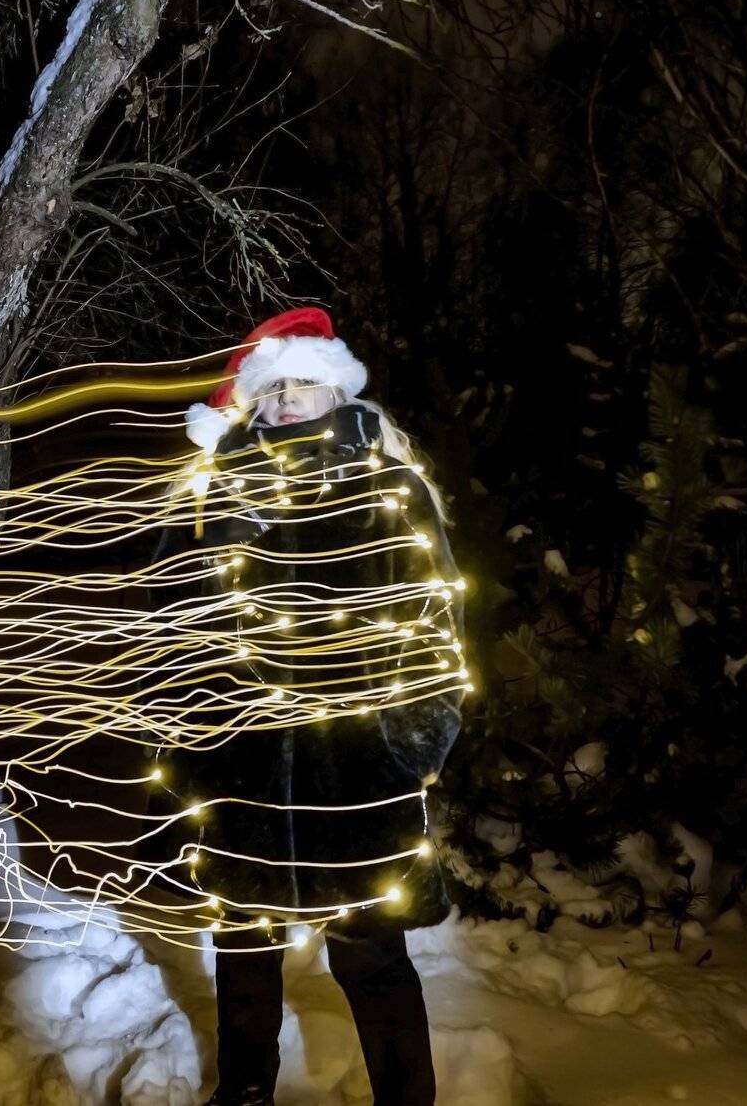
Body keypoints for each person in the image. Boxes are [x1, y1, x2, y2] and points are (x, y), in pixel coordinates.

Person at [146, 307, 467, 1106]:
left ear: (335, 388)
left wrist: (411, 743)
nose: (288, 399)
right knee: (244, 949)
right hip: (242, 767)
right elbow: (171, 619)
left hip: (356, 772)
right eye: (273, 387)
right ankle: (244, 1092)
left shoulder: (388, 488)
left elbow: (435, 625)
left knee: (371, 957)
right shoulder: (216, 490)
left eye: (303, 383)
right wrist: (190, 739)